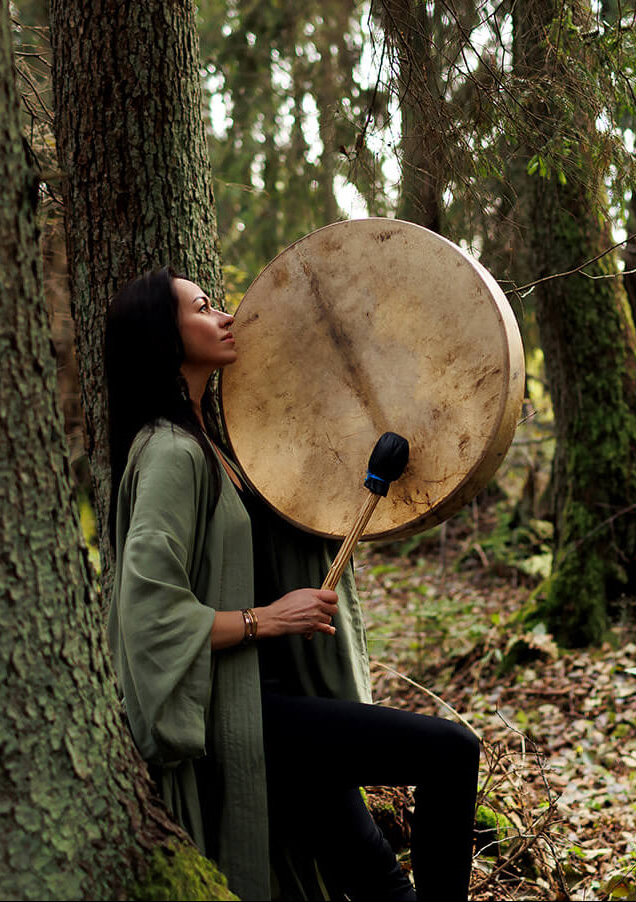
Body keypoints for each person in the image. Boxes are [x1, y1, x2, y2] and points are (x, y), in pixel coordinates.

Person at [105, 267, 479, 900]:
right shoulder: (171, 452)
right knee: (451, 753)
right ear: (162, 337)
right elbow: (148, 617)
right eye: (201, 308)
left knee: (383, 886)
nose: (224, 316)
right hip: (245, 716)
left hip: (272, 706)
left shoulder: (211, 442)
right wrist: (267, 619)